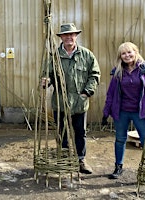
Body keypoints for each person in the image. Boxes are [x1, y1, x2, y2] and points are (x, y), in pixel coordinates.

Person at [42, 23, 101, 174]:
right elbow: (47, 75)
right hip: (60, 103)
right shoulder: (54, 56)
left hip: (79, 103)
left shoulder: (86, 55)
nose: (69, 37)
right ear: (61, 37)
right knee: (61, 132)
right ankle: (65, 158)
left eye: (72, 34)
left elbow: (94, 75)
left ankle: (81, 159)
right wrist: (46, 81)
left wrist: (86, 93)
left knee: (80, 132)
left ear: (76, 36)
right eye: (65, 35)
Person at [102, 42, 145, 179]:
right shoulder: (118, 72)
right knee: (120, 139)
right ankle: (118, 167)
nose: (127, 55)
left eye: (129, 52)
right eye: (123, 53)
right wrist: (106, 112)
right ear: (120, 56)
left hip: (141, 112)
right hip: (122, 112)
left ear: (135, 52)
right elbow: (111, 93)